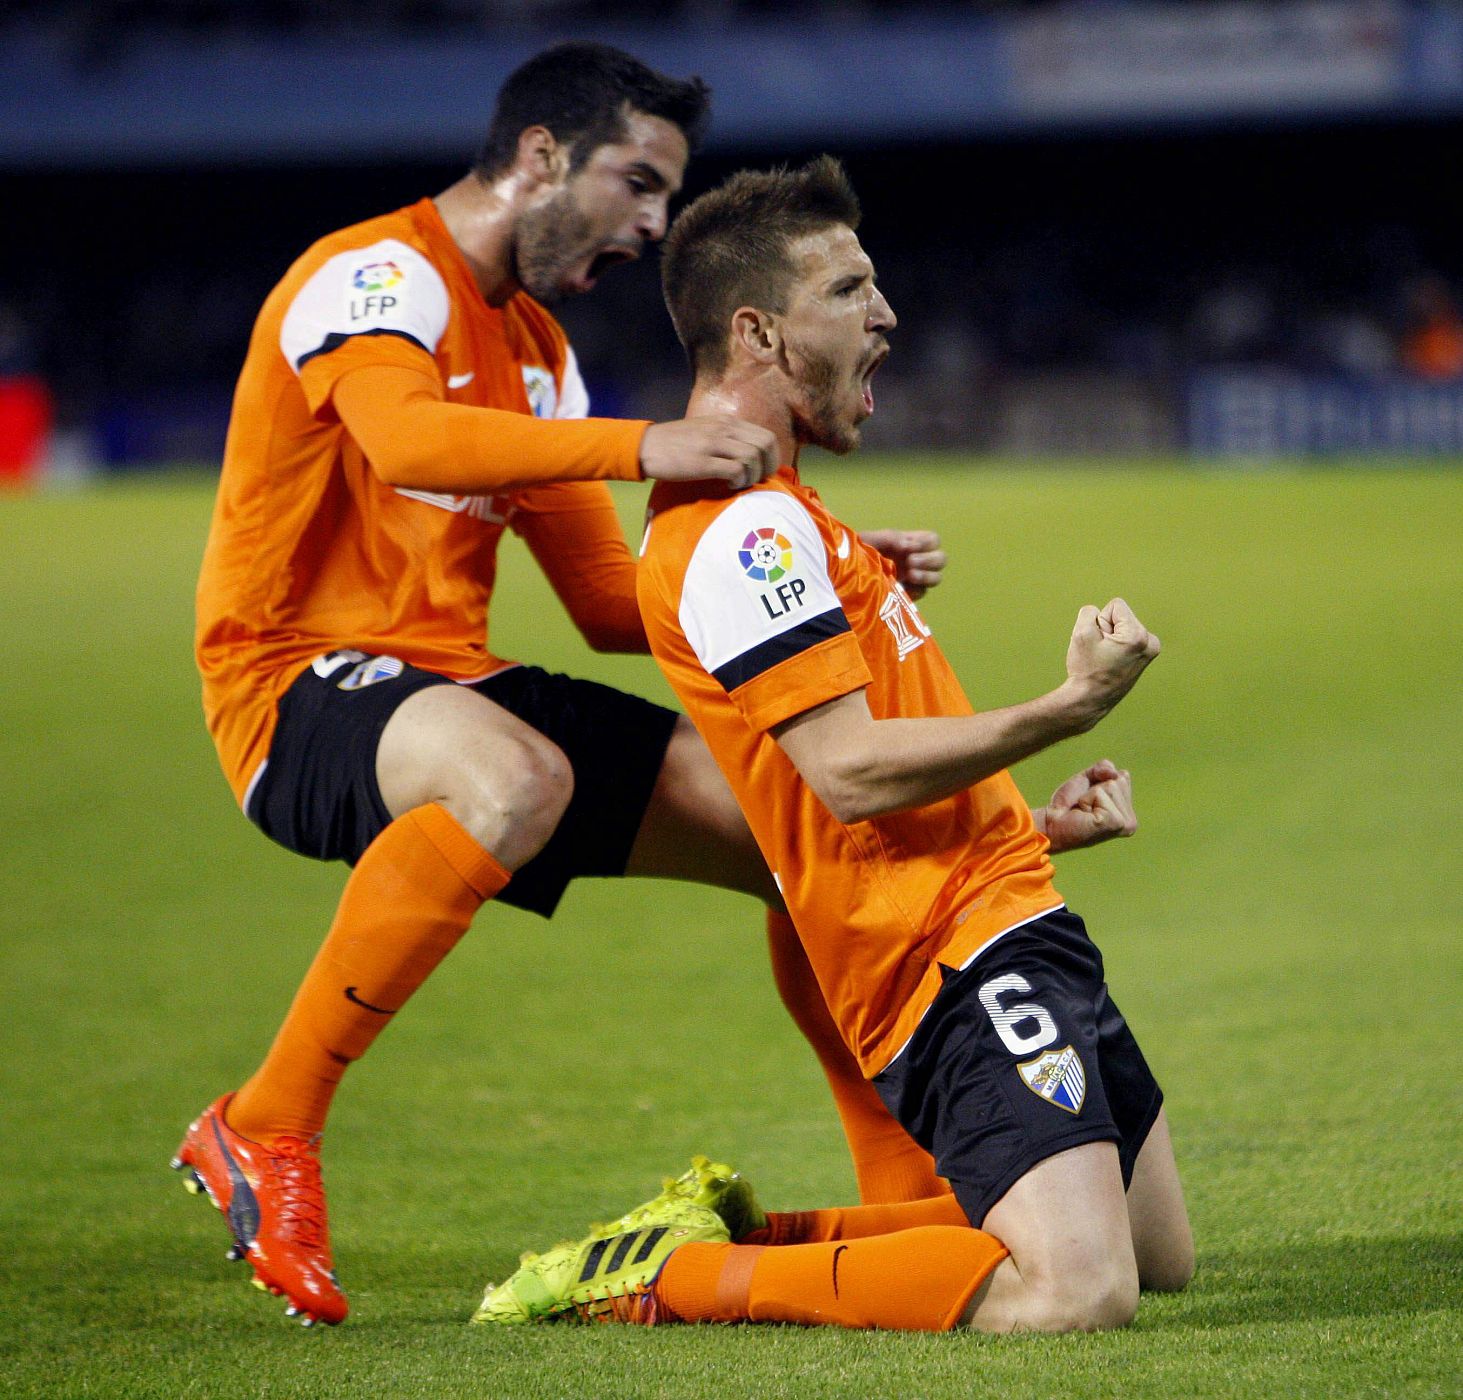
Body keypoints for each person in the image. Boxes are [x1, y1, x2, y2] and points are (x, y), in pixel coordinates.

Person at [172, 41, 1137, 1327]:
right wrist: (647, 445)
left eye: (664, 196)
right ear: (536, 157)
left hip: (448, 679)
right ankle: (266, 1122)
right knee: (516, 775)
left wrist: (832, 566)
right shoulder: (374, 275)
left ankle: (914, 1188)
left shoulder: (534, 356)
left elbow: (609, 604)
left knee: (797, 823)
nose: (651, 223)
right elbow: (402, 438)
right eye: (636, 183)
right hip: (291, 684)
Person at [476, 157, 1193, 1334]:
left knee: (1157, 1258)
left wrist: (1032, 814)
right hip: (943, 954)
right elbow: (846, 771)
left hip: (1011, 909)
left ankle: (741, 1238)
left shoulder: (792, 517)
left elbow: (865, 753)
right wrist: (1064, 705)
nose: (886, 315)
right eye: (851, 289)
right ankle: (668, 1277)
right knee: (1077, 1291)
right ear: (758, 329)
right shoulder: (738, 537)